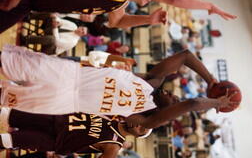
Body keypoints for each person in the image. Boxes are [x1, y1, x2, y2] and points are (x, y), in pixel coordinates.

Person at [0, 44, 237, 129]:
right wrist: (210, 81)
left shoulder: (143, 118)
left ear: (165, 112)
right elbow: (185, 56)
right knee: (5, 62)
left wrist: (217, 102)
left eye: (174, 100)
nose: (173, 95)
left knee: (4, 96)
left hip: (62, 102)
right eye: (176, 95)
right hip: (70, 74)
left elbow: (192, 103)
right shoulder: (150, 81)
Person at [0, 0, 236, 34]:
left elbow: (116, 22)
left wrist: (148, 19)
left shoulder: (121, 2)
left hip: (31, 5)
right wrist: (209, 7)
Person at [0, 107, 150, 158]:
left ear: (137, 136)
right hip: (53, 119)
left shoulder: (114, 146)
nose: (138, 125)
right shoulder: (114, 114)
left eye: (141, 129)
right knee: (6, 114)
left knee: (7, 140)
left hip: (53, 140)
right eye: (142, 122)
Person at [23, 15, 88, 55]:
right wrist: (55, 19)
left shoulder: (73, 42)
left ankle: (26, 40)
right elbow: (60, 21)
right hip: (51, 33)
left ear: (82, 36)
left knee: (52, 39)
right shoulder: (74, 25)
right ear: (80, 27)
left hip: (51, 48)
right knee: (51, 15)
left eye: (82, 32)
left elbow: (57, 42)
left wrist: (55, 28)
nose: (81, 30)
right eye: (82, 29)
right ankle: (29, 16)